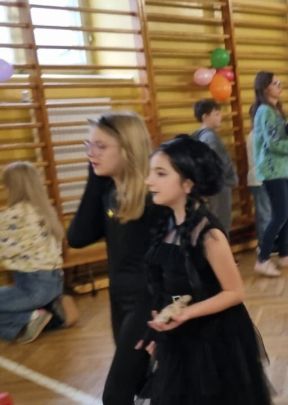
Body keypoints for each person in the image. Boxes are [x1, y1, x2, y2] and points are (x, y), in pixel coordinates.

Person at [143, 135, 272, 404]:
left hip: (214, 340)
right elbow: (169, 283)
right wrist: (161, 324)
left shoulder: (208, 234)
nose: (149, 181)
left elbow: (235, 292)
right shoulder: (165, 225)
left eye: (160, 174)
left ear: (187, 184)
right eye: (151, 172)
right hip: (181, 335)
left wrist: (186, 313)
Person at [67, 112, 168, 404]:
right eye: (88, 145)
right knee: (141, 384)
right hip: (119, 300)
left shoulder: (154, 197)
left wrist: (164, 314)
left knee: (116, 394)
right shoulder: (110, 193)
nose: (91, 153)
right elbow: (78, 237)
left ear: (127, 149)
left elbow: (177, 261)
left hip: (148, 303)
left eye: (101, 146)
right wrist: (94, 176)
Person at [0, 162, 76, 344]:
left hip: (32, 288)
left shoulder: (13, 215)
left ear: (13, 187)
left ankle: (33, 318)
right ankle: (51, 313)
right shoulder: (45, 212)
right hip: (54, 284)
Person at [250, 71, 288, 277]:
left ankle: (285, 255)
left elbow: (283, 138)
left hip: (284, 169)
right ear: (264, 87)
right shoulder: (264, 112)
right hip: (272, 170)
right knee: (280, 215)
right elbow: (273, 144)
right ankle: (262, 259)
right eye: (275, 83)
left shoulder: (275, 111)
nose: (279, 86)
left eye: (279, 82)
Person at [192, 99, 238, 236]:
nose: (220, 117)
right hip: (219, 186)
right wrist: (231, 178)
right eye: (216, 114)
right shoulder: (209, 137)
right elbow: (218, 164)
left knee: (214, 222)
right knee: (221, 223)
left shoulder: (197, 135)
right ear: (205, 117)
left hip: (211, 186)